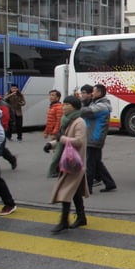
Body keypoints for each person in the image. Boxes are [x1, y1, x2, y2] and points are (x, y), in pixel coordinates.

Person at [46, 96, 89, 233]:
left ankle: (64, 220)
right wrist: (51, 144)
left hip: (74, 162)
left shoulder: (79, 122)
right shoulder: (67, 120)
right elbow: (62, 138)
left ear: (75, 107)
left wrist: (61, 139)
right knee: (74, 191)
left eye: (67, 104)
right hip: (68, 161)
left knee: (65, 192)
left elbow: (78, 141)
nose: (64, 107)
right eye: (64, 104)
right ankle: (81, 217)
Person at [80, 84, 117, 194]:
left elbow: (84, 112)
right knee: (96, 163)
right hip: (92, 137)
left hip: (94, 138)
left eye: (94, 91)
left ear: (100, 93)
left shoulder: (101, 106)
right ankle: (110, 183)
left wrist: (78, 104)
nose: (92, 93)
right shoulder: (96, 103)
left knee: (91, 164)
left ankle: (88, 188)